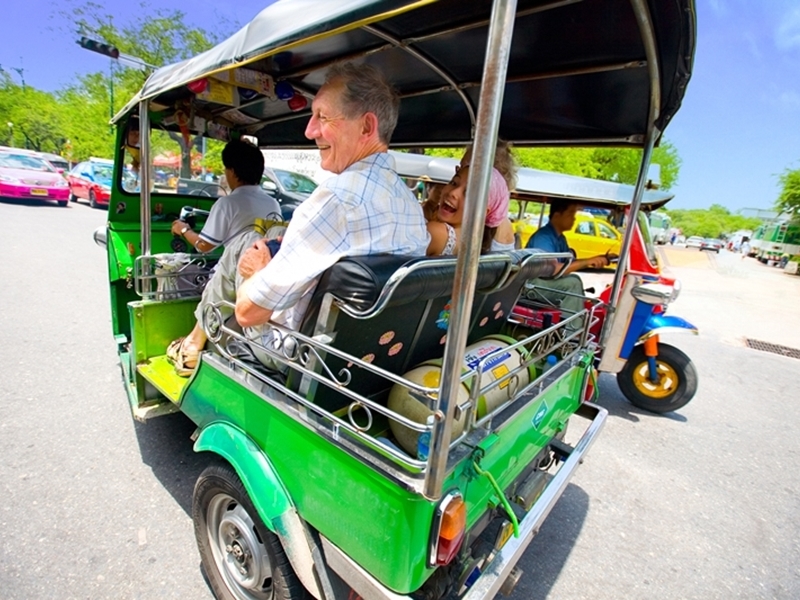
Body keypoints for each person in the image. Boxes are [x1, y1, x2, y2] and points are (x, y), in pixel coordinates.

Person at [167, 63, 430, 376]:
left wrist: (254, 273)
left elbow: (249, 313)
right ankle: (195, 342)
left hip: (296, 354)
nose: (310, 130)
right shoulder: (410, 204)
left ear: (366, 127)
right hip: (366, 352)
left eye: (322, 116)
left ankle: (192, 345)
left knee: (243, 244)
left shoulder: (337, 197)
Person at [169, 139, 281, 254]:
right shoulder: (273, 204)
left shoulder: (227, 204)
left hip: (235, 269)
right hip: (263, 266)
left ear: (232, 171)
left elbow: (204, 246)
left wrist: (183, 229)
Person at [524, 199, 616, 328]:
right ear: (557, 215)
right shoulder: (543, 237)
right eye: (570, 214)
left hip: (543, 283)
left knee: (574, 280)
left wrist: (596, 259)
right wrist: (588, 261)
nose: (573, 219)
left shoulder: (560, 238)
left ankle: (578, 323)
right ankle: (572, 335)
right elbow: (552, 269)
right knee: (572, 283)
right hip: (532, 284)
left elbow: (568, 264)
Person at [426, 165, 509, 255]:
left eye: (467, 193)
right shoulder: (472, 245)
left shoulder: (437, 232)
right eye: (453, 183)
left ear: (481, 212)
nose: (452, 193)